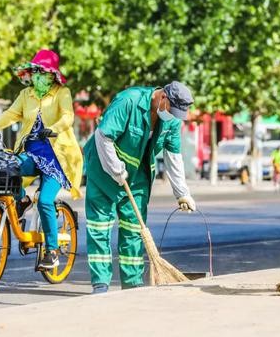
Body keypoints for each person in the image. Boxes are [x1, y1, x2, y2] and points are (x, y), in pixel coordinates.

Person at [83, 82, 196, 293]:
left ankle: (132, 284)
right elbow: (103, 137)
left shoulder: (172, 121)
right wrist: (116, 169)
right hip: (103, 171)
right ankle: (100, 283)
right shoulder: (129, 101)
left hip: (138, 177)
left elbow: (173, 156)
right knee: (100, 228)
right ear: (163, 98)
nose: (173, 117)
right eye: (172, 111)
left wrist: (182, 193)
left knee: (134, 231)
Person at [0, 49, 83, 269]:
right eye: (34, 71)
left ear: (52, 75)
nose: (36, 75)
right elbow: (10, 114)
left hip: (56, 158)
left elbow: (68, 116)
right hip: (30, 153)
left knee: (45, 201)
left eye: (41, 72)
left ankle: (52, 252)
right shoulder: (27, 95)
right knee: (8, 171)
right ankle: (23, 200)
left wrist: (53, 129)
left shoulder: (62, 92)